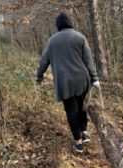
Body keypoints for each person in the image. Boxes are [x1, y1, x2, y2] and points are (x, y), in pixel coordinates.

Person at [36, 12, 100, 154]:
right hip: (82, 80)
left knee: (71, 111)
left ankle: (78, 143)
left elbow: (44, 61)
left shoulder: (52, 40)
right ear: (70, 22)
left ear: (58, 25)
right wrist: (95, 78)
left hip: (65, 83)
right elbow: (88, 60)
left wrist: (39, 75)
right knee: (82, 107)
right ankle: (84, 132)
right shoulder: (80, 37)